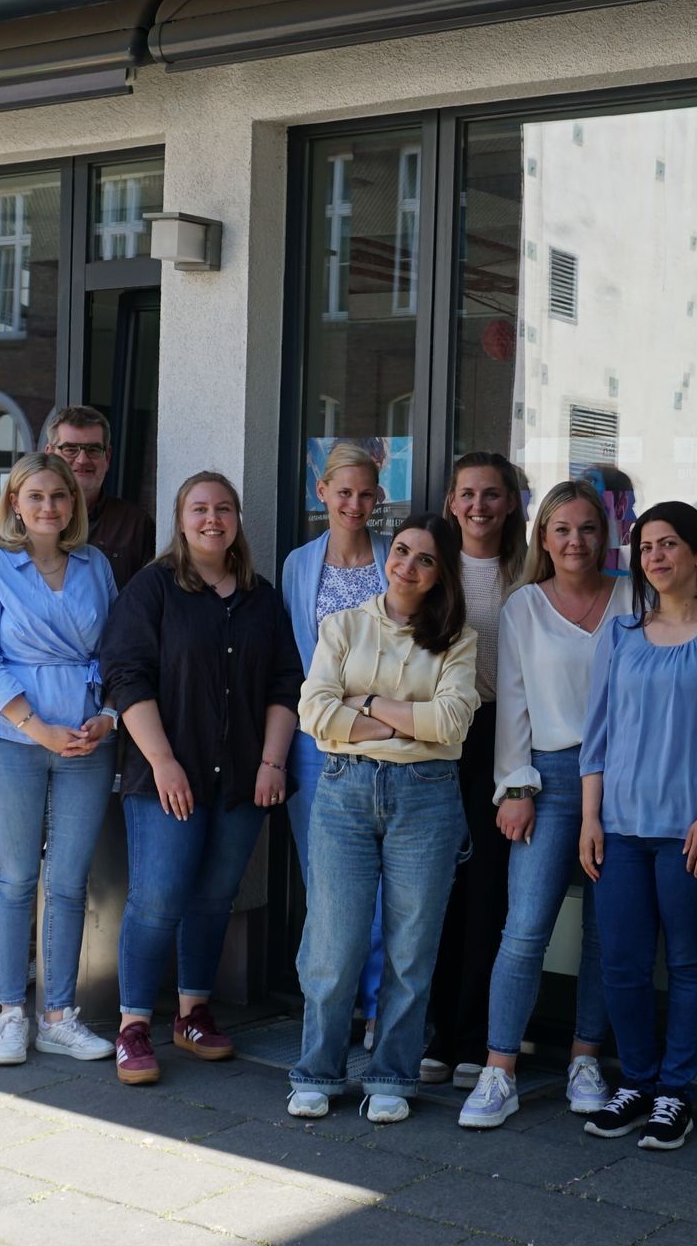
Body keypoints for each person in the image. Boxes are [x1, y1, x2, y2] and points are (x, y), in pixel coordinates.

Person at [578, 501, 697, 1151]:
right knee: (622, 963)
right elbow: (596, 736)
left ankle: (675, 1094)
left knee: (689, 962)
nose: (655, 556)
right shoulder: (621, 634)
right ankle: (637, 1081)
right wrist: (590, 819)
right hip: (621, 828)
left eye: (667, 544)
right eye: (645, 547)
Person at [99, 471, 302, 1085]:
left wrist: (272, 763)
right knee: (158, 899)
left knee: (215, 898)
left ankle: (193, 1015)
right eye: (200, 509)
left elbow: (285, 684)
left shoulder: (261, 598)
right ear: (181, 519)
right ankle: (134, 1027)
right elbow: (125, 676)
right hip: (168, 775)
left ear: (237, 518)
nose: (213, 519)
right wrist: (163, 762)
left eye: (224, 509)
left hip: (242, 778)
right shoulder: (153, 588)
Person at [289, 513, 479, 1124]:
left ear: (441, 573)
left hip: (427, 797)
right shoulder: (342, 625)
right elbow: (314, 713)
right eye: (401, 551)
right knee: (334, 941)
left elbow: (451, 722)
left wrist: (365, 703)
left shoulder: (457, 639)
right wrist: (403, 724)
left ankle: (392, 1073)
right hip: (344, 790)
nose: (407, 566)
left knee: (411, 946)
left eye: (425, 559)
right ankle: (317, 1071)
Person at [458, 480, 631, 1129]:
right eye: (562, 529)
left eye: (587, 528)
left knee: (605, 932)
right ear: (544, 538)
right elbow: (515, 701)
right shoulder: (525, 606)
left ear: (604, 535)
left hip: (624, 778)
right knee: (525, 927)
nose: (575, 540)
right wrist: (516, 785)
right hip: (550, 777)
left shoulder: (635, 598)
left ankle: (585, 1059)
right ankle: (498, 1069)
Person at [0, 453, 119, 1066]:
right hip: (10, 738)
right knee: (15, 879)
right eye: (36, 496)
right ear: (15, 504)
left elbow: (116, 649)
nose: (49, 506)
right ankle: (10, 1014)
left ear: (73, 504)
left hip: (85, 738)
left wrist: (108, 714)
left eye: (59, 496)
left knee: (70, 883)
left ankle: (58, 1017)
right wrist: (38, 728)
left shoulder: (96, 565)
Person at [281, 442, 392, 1050]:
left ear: (377, 499)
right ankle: (331, 1005)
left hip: (384, 738)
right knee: (325, 882)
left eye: (365, 493)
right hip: (316, 742)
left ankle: (377, 1006)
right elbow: (294, 660)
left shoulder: (392, 558)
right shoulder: (300, 564)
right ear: (321, 492)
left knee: (380, 883)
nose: (354, 503)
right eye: (343, 492)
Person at [423, 451, 526, 1088]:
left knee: (488, 890)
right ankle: (437, 1030)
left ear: (510, 503)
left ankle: (475, 1035)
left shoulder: (529, 570)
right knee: (437, 887)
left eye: (491, 494)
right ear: (451, 503)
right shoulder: (433, 566)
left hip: (504, 735)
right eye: (467, 494)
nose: (479, 506)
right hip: (437, 735)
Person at [43, 405, 154, 590]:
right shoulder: (27, 519)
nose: (82, 460)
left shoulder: (135, 525)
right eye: (70, 449)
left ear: (108, 457)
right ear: (50, 455)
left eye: (93, 449)